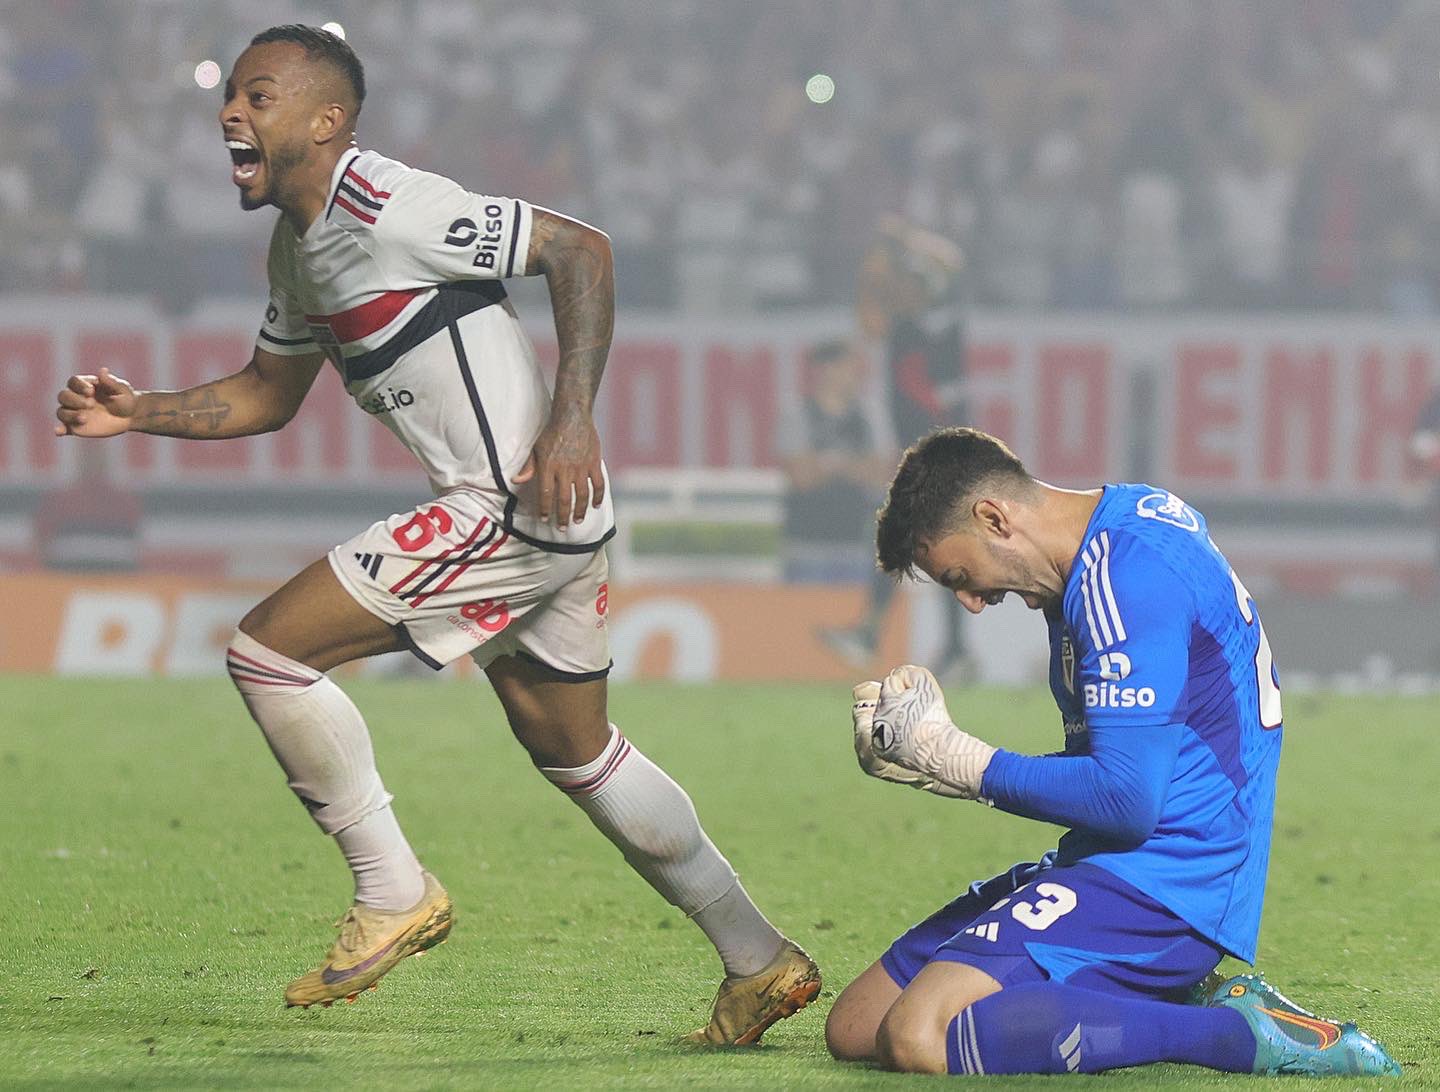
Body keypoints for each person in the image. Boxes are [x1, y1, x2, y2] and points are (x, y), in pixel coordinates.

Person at [52, 25, 819, 1043]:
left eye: (260, 95)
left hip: (508, 503)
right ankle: (759, 960)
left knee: (268, 651)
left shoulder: (389, 204)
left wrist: (573, 417)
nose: (232, 112)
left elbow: (580, 250)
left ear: (327, 120)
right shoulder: (300, 248)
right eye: (232, 95)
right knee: (576, 749)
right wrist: (138, 410)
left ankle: (392, 888)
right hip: (545, 518)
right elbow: (268, 393)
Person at [824, 427, 1400, 1077]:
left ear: (994, 517)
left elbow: (1127, 800)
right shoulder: (1102, 544)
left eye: (961, 576)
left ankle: (1239, 1034)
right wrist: (934, 765)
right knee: (857, 1026)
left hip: (1173, 882)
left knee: (919, 1036)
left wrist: (962, 764)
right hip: (1111, 860)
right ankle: (1130, 992)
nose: (973, 603)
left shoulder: (1125, 574)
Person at [821, 216, 972, 679]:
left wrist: (903, 239)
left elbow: (953, 260)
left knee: (908, 538)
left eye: (906, 285)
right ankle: (951, 649)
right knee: (927, 543)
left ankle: (874, 635)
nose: (898, 293)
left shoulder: (940, 319)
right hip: (927, 447)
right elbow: (869, 314)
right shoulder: (907, 325)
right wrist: (877, 264)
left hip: (942, 446)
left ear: (923, 288)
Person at [777, 338, 893, 583]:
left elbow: (882, 474)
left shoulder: (870, 415)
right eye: (849, 367)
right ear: (827, 370)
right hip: (805, 548)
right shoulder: (797, 414)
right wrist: (856, 466)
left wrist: (829, 463)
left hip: (857, 547)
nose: (856, 375)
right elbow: (801, 478)